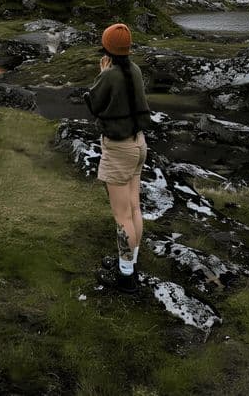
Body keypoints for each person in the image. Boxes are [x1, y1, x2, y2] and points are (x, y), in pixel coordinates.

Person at [85, 23, 151, 294]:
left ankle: (125, 278)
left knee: (121, 215)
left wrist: (101, 74)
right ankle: (130, 265)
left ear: (108, 48)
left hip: (119, 149)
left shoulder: (110, 74)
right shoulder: (134, 69)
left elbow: (94, 103)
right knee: (134, 208)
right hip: (138, 144)